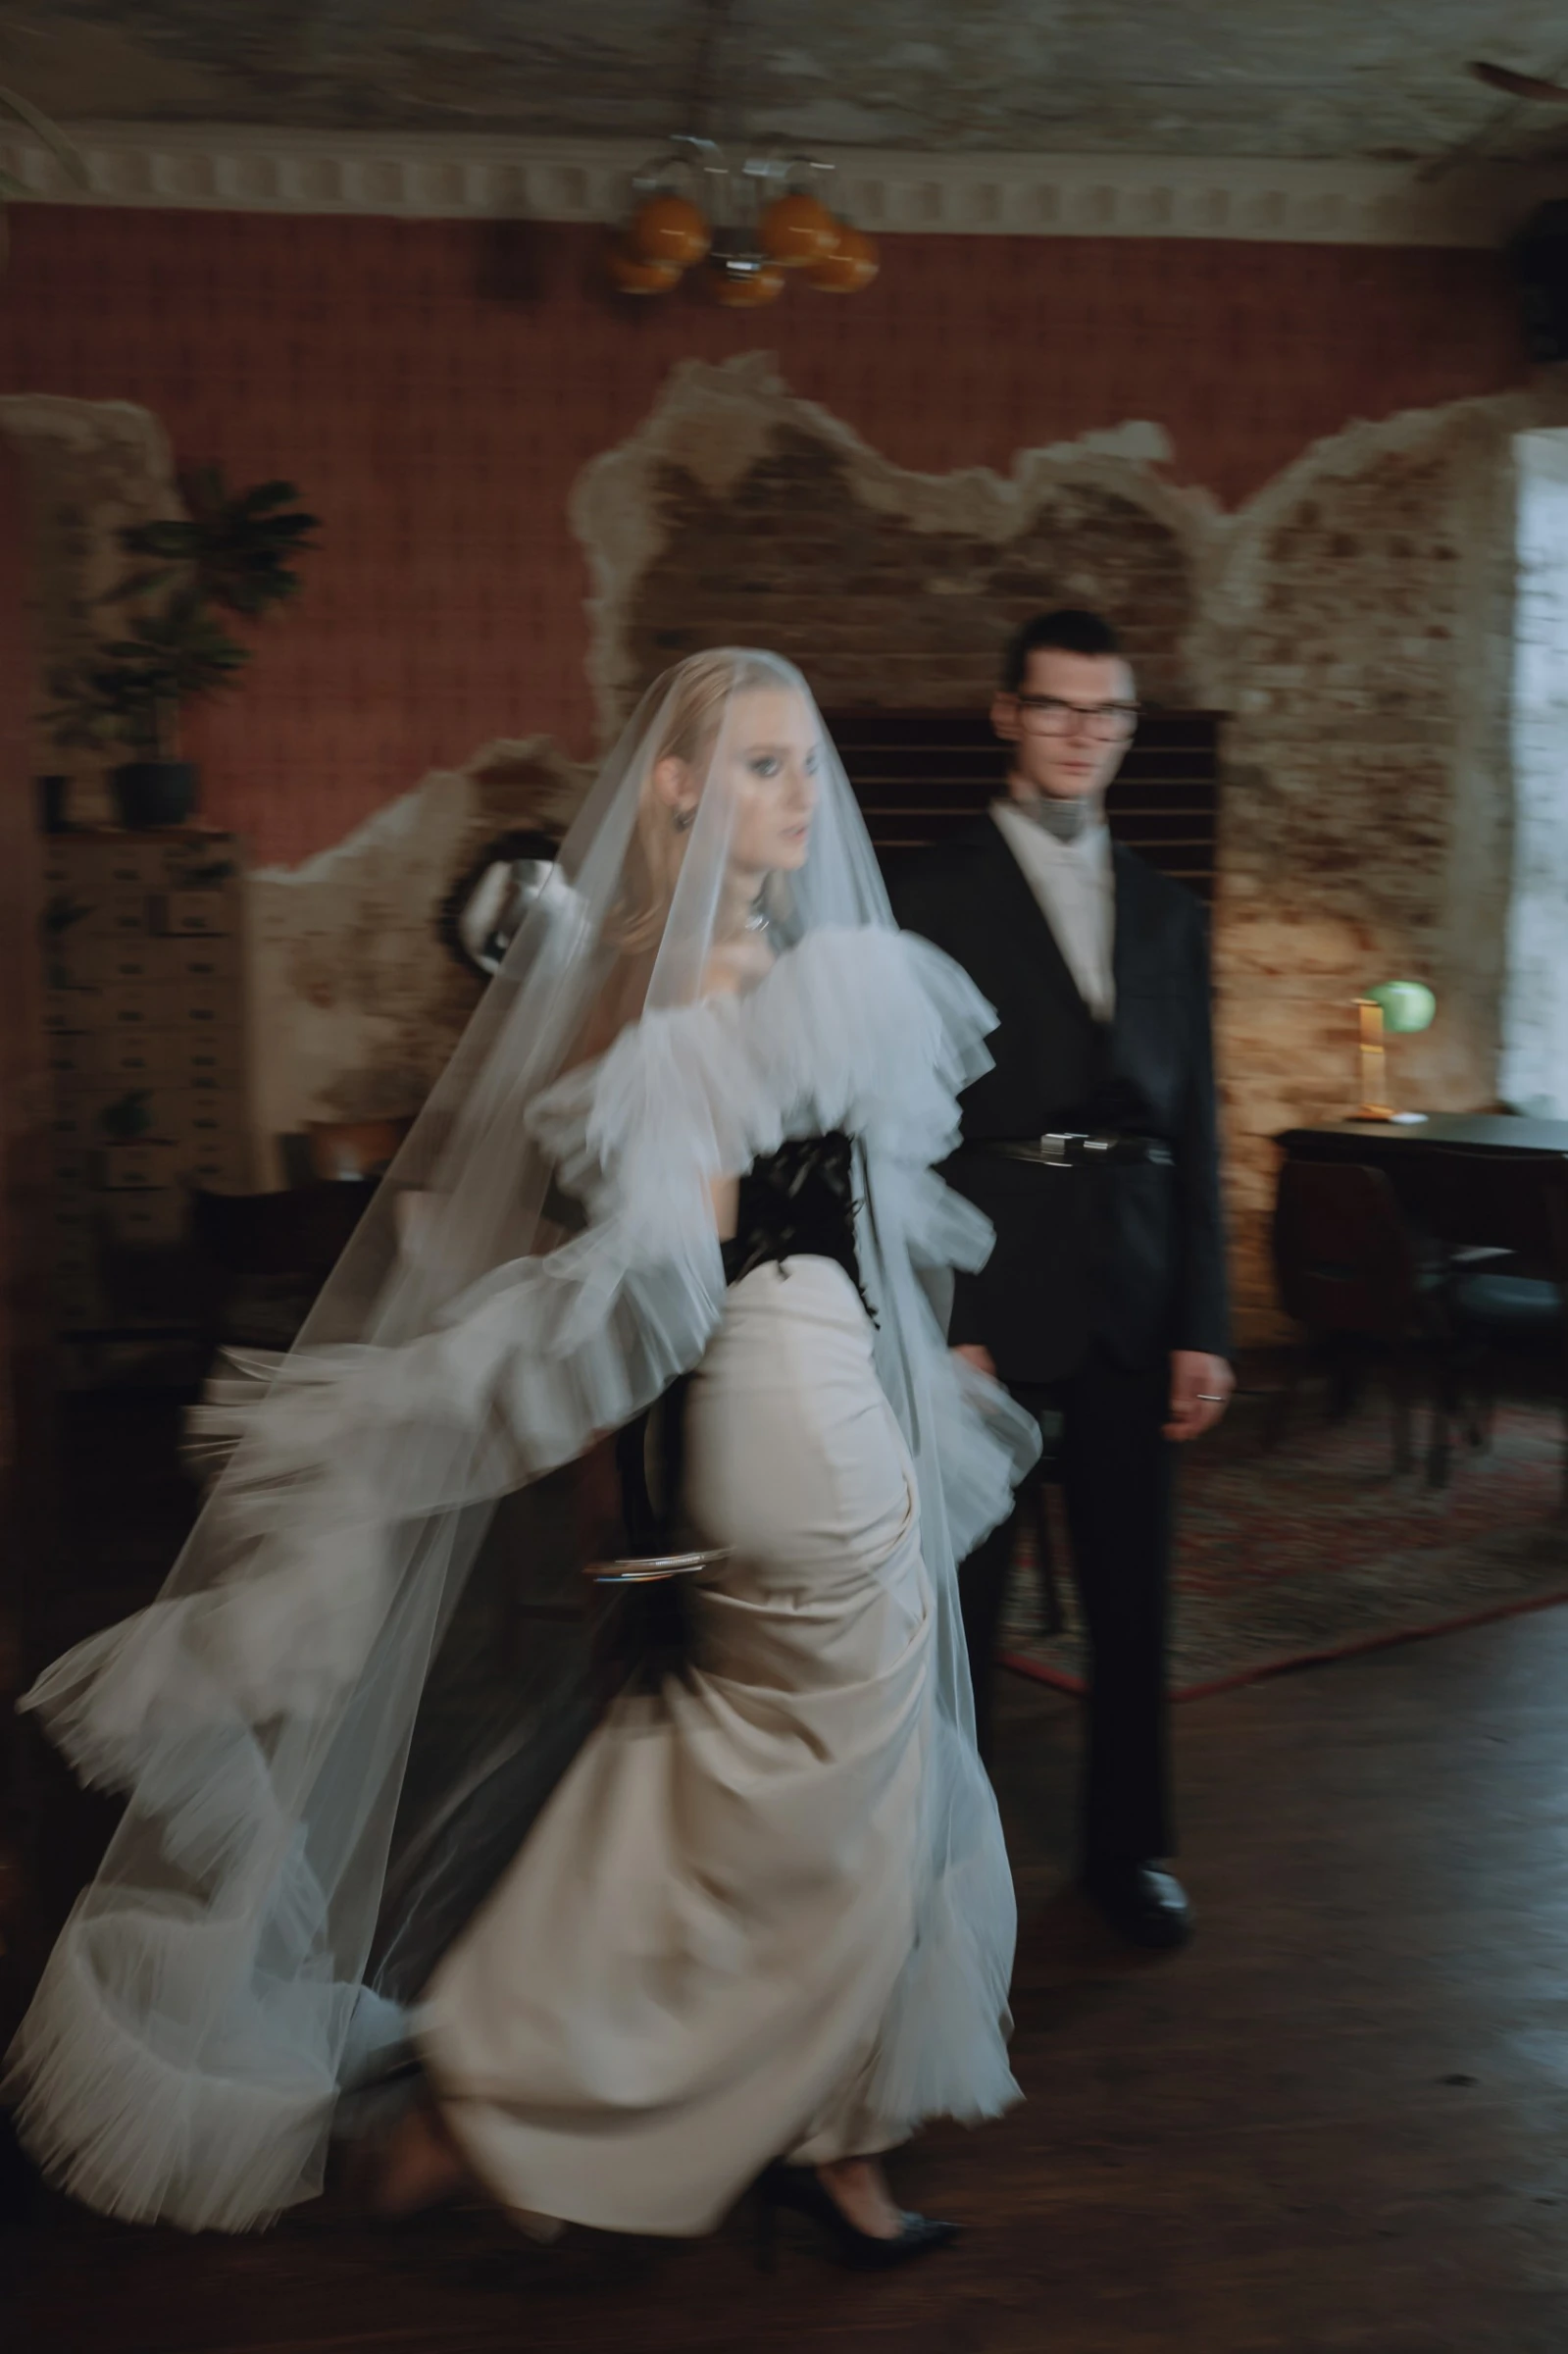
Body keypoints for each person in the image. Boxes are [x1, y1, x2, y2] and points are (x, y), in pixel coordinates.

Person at [5, 651, 1039, 2265]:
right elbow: (677, 1270)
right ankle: (510, 2095)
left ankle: (818, 2142)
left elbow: (792, 1221)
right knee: (828, 1787)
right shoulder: (704, 984)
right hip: (788, 1418)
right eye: (762, 766)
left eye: (805, 764)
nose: (802, 795)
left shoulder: (704, 966)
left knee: (798, 1775)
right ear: (678, 789)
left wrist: (894, 1349)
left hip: (815, 1395)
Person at [890, 609, 1232, 1953]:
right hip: (990, 1284)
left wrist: (1204, 1322)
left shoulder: (1170, 910)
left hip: (1136, 1291)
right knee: (963, 1605)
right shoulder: (929, 894)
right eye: (1056, 706)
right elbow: (898, 1126)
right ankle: (945, 1865)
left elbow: (1197, 1122)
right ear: (1007, 714)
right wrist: (947, 1315)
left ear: (1128, 729)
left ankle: (1127, 1854)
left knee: (1132, 1594)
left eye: (1108, 712)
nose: (1083, 733)